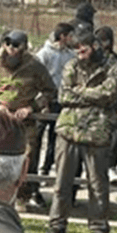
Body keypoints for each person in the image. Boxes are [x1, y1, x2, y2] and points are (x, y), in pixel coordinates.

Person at [45, 29, 117, 233]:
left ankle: (99, 232)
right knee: (61, 183)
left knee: (98, 186)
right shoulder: (71, 66)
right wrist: (91, 94)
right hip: (68, 130)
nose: (80, 56)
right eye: (77, 52)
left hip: (97, 132)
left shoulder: (114, 66)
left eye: (84, 51)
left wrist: (80, 92)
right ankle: (56, 227)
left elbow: (110, 94)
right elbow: (64, 96)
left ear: (95, 47)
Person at [0, 30, 56, 212]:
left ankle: (23, 197)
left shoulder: (35, 66)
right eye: (8, 44)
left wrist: (31, 107)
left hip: (25, 123)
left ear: (24, 47)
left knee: (26, 159)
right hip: (2, 121)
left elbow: (50, 91)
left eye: (16, 45)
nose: (11, 48)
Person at [37, 23, 75, 175]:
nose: (72, 39)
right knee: (38, 135)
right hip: (45, 100)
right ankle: (34, 165)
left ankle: (46, 167)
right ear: (62, 36)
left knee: (55, 136)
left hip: (61, 100)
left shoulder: (70, 55)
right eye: (70, 36)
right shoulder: (44, 53)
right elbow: (37, 75)